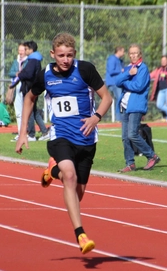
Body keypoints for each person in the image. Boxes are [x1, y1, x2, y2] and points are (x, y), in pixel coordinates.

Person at [16, 32, 112, 254]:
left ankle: (53, 170)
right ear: (53, 54)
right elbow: (30, 98)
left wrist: (96, 117)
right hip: (60, 136)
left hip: (87, 138)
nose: (66, 59)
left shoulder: (85, 69)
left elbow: (107, 97)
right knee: (69, 175)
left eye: (69, 55)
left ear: (74, 54)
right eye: (61, 55)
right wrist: (23, 132)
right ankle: (81, 235)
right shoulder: (46, 75)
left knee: (77, 195)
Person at [115, 44, 161, 172]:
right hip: (124, 106)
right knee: (125, 137)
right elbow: (117, 81)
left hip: (136, 106)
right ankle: (130, 163)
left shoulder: (143, 68)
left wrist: (125, 81)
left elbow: (139, 86)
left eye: (135, 53)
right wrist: (128, 74)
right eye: (131, 53)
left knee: (132, 134)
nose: (133, 55)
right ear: (128, 55)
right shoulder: (129, 68)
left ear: (140, 54)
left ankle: (152, 155)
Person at [7, 40, 48, 142]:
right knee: (34, 111)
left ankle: (32, 135)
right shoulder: (34, 60)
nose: (24, 51)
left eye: (26, 49)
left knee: (28, 111)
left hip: (30, 88)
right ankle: (44, 132)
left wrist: (20, 74)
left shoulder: (33, 60)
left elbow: (28, 74)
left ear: (31, 49)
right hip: (33, 87)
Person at [149, 55, 167, 122]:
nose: (163, 62)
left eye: (164, 60)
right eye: (162, 60)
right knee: (159, 105)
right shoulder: (159, 69)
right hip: (161, 90)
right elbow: (151, 75)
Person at [7, 43, 27, 137]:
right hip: (16, 87)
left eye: (22, 50)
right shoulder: (16, 61)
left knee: (25, 111)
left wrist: (22, 74)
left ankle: (27, 132)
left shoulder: (28, 61)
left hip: (25, 87)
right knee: (18, 111)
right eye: (19, 50)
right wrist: (16, 73)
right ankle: (20, 132)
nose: (20, 52)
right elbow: (10, 72)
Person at [105, 45, 125, 115]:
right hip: (113, 83)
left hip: (119, 82)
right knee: (119, 99)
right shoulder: (112, 59)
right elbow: (111, 71)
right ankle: (119, 117)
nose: (124, 53)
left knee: (121, 99)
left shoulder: (120, 60)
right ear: (118, 51)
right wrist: (121, 70)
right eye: (123, 51)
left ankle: (121, 117)